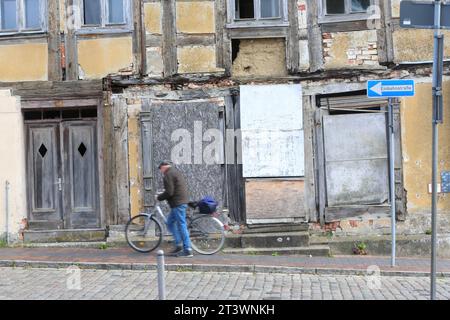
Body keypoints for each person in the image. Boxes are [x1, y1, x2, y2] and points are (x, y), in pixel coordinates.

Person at [156, 161, 193, 257]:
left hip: (178, 203)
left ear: (164, 167)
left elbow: (169, 192)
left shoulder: (168, 174)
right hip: (180, 202)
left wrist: (159, 197)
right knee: (169, 223)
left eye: (160, 169)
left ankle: (187, 249)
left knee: (181, 225)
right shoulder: (175, 172)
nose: (161, 171)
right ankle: (178, 244)